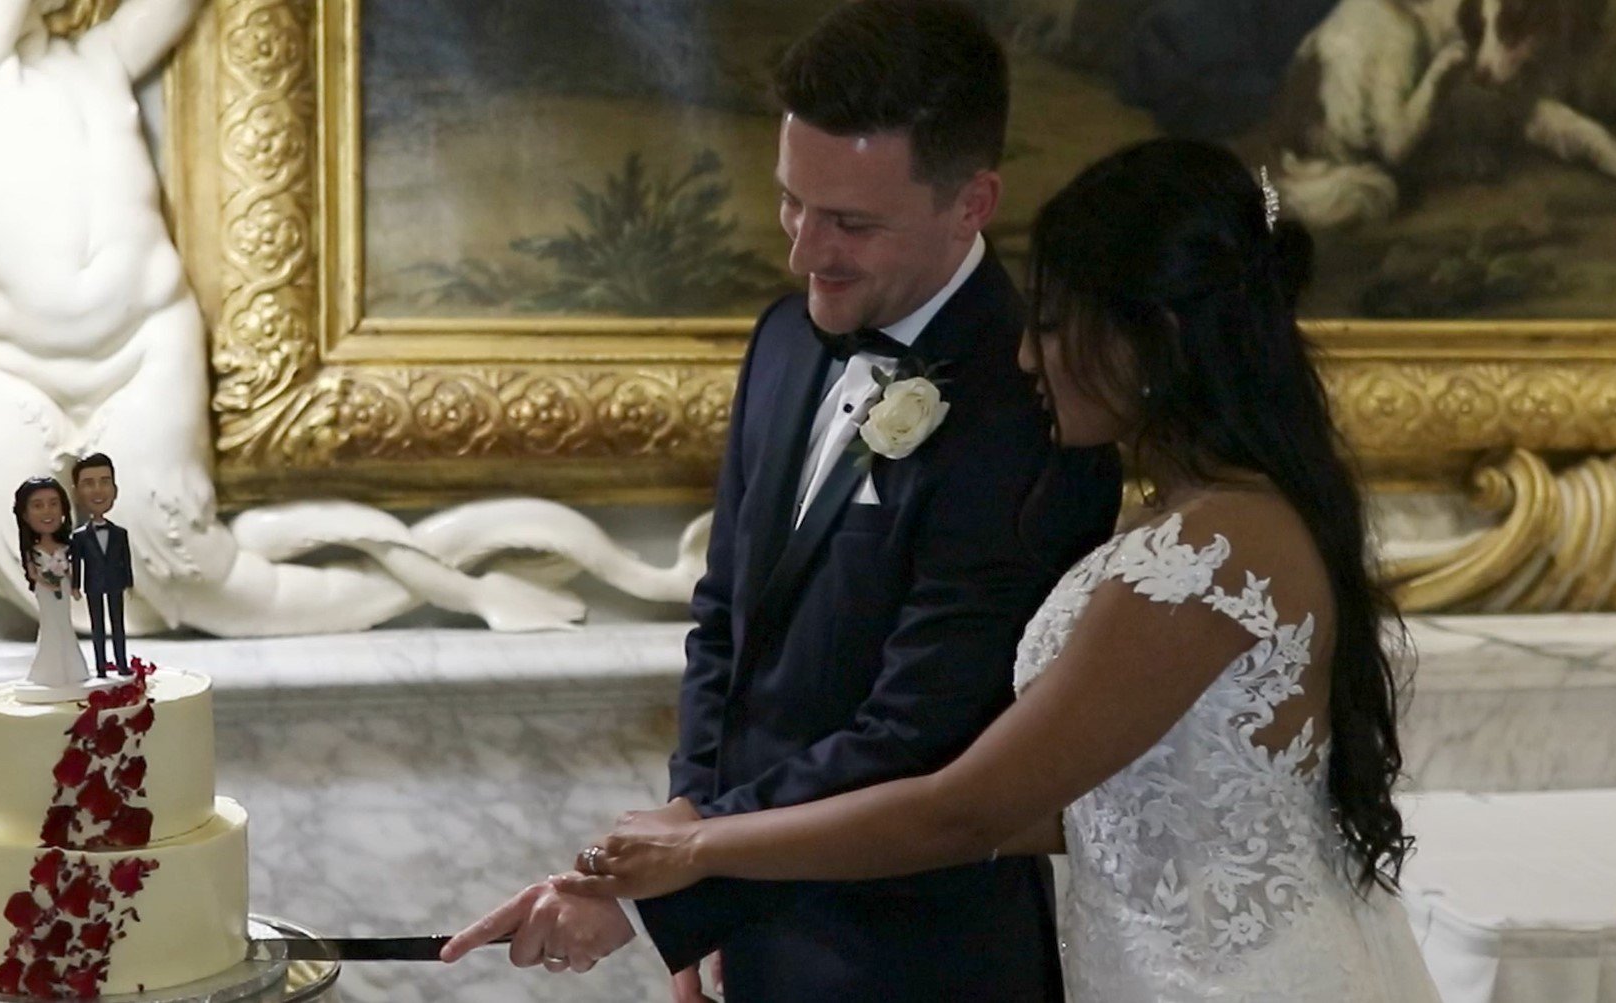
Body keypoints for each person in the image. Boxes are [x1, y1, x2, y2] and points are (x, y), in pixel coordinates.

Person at [555, 139, 1443, 1002]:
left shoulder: (1207, 555)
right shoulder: (1208, 514)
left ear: (1154, 335)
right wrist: (669, 881)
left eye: (1053, 325)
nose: (1026, 357)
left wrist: (701, 853)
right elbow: (1071, 810)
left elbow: (963, 808)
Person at [442, 3, 1122, 999]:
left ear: (970, 201)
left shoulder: (1031, 407)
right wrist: (690, 833)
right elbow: (726, 617)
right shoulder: (782, 341)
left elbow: (918, 728)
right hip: (752, 930)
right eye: (790, 203)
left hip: (916, 956)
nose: (806, 250)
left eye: (849, 221)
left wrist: (680, 880)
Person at [13, 477, 93, 697]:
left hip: (64, 589)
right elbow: (32, 573)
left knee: (65, 624)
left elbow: (73, 568)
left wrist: (74, 584)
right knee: (50, 626)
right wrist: (45, 580)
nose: (47, 511)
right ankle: (47, 671)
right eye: (38, 505)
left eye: (53, 503)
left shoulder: (67, 546)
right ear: (25, 514)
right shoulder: (33, 550)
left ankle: (73, 669)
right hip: (45, 591)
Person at [69, 453, 133, 675]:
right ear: (77, 492)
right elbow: (76, 561)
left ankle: (122, 663)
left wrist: (129, 582)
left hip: (116, 583)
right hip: (93, 584)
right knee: (97, 627)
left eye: (104, 482)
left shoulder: (120, 533)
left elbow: (126, 559)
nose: (98, 490)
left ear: (115, 489)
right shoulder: (79, 537)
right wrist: (75, 585)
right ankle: (101, 667)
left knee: (118, 625)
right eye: (88, 483)